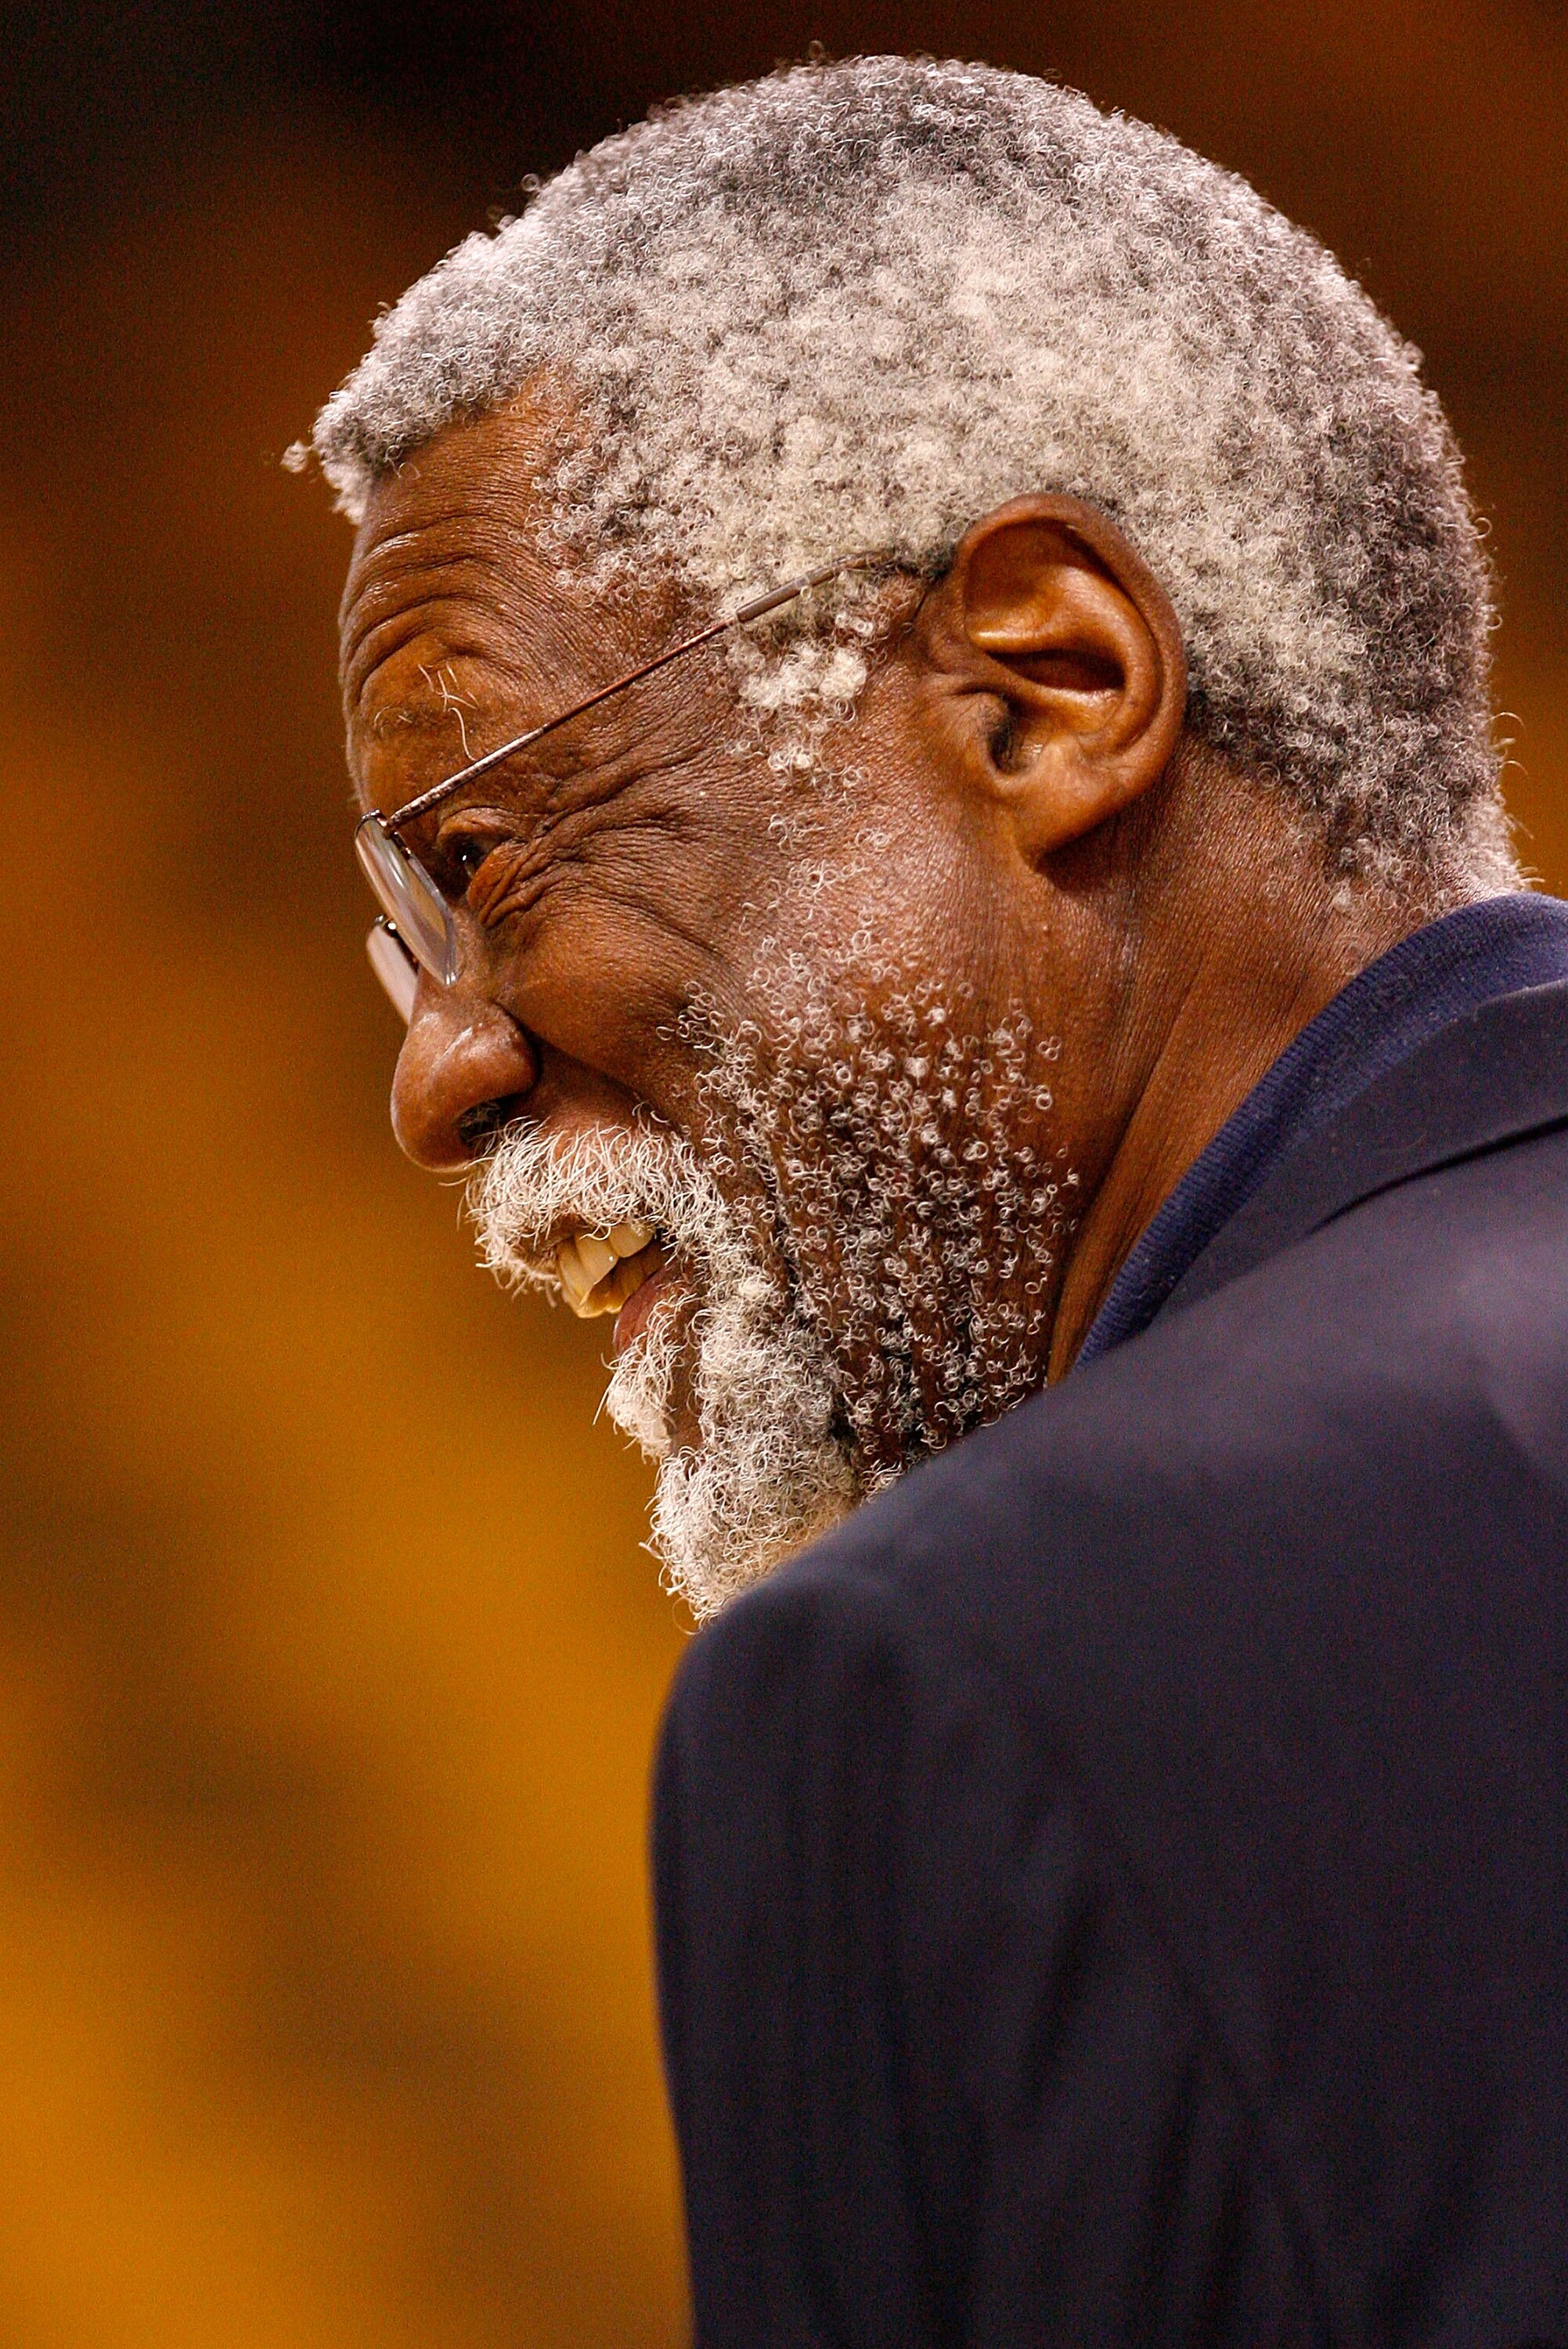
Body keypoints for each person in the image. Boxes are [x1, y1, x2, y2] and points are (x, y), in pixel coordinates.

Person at [301, 56, 1568, 2344]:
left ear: (1046, 688)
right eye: (407, 945)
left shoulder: (936, 1691)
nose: (442, 1069)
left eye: (485, 866)